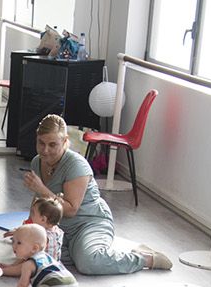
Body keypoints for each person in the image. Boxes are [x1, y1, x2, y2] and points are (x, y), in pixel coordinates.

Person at [24, 115, 173, 276]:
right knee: (29, 250)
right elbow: (40, 203)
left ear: (65, 141)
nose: (45, 150)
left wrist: (42, 189)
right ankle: (84, 251)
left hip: (89, 222)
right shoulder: (37, 162)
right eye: (41, 143)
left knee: (88, 262)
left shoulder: (76, 165)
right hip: (61, 227)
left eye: (52, 145)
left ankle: (143, 258)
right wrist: (29, 227)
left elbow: (71, 209)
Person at [2, 224, 82, 287]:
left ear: (34, 248)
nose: (14, 246)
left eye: (19, 243)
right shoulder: (46, 256)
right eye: (13, 241)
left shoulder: (28, 264)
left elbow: (23, 285)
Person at [0, 196, 65, 271]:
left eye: (33, 213)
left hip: (43, 267)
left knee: (26, 260)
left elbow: (27, 242)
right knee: (29, 253)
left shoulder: (41, 234)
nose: (30, 216)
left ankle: (5, 271)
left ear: (43, 219)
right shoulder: (57, 230)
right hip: (55, 263)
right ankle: (12, 266)